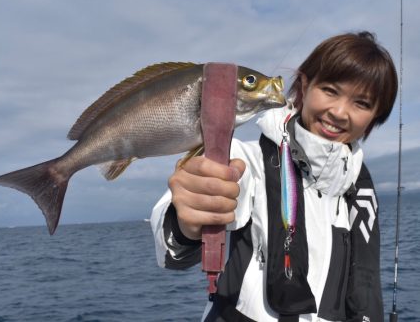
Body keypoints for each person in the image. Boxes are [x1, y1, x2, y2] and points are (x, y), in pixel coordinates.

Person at [150, 31, 398, 322]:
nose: (340, 112)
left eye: (362, 103)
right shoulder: (249, 162)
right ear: (305, 86)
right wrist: (186, 219)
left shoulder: (357, 189)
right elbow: (174, 249)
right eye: (330, 90)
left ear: (375, 116)